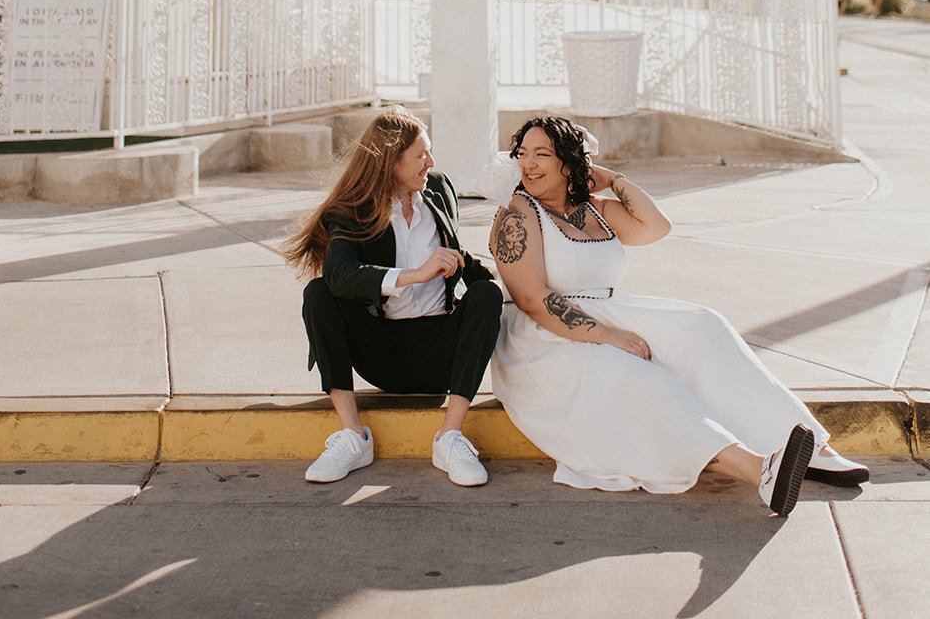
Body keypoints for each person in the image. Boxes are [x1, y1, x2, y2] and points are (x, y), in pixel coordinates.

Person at [490, 116, 870, 514]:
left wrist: (612, 179)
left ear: (569, 163)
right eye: (523, 154)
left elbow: (656, 226)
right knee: (643, 379)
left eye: (542, 155)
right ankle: (759, 471)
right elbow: (533, 299)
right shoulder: (518, 214)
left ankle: (812, 447)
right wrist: (609, 336)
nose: (528, 164)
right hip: (544, 339)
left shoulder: (596, 209)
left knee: (704, 327)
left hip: (608, 312)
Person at [284, 107, 502, 486]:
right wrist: (413, 275)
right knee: (319, 293)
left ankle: (450, 438)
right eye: (421, 155)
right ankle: (353, 437)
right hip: (380, 352)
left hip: (439, 352)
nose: (430, 162)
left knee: (486, 295)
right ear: (391, 161)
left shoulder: (438, 189)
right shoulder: (351, 211)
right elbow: (339, 275)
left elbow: (456, 256)